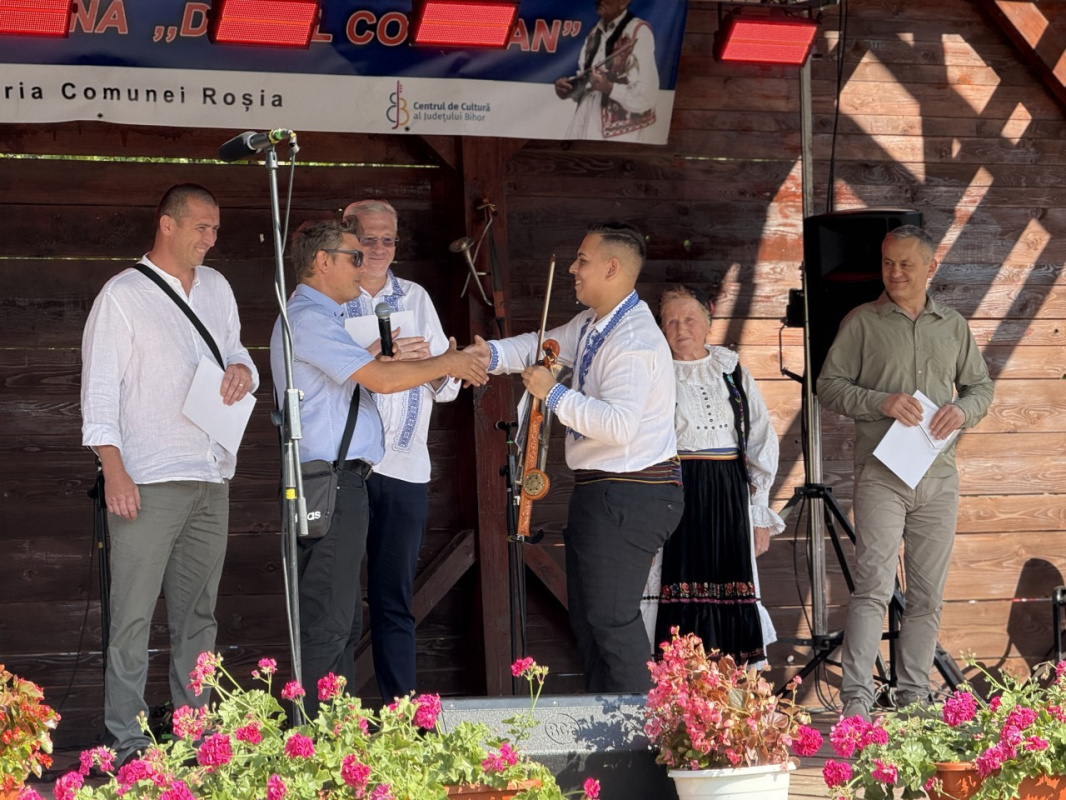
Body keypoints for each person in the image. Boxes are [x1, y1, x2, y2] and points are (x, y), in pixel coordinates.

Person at [269, 219, 485, 714]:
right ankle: (318, 739)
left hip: (342, 480)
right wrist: (447, 364)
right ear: (322, 261)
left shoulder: (319, 318)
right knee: (329, 619)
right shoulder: (309, 318)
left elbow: (366, 374)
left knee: (342, 619)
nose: (362, 264)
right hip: (330, 480)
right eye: (353, 255)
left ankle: (334, 730)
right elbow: (380, 381)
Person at [81, 183, 258, 765]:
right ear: (168, 224)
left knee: (198, 618)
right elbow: (99, 392)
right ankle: (128, 742)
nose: (211, 238)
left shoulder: (219, 288)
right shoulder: (122, 295)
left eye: (216, 228)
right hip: (148, 477)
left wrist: (242, 370)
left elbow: (238, 352)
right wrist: (114, 471)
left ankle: (194, 738)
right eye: (202, 227)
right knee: (132, 617)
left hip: (210, 473)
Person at [466, 221, 683, 693]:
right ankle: (609, 724)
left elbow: (619, 426)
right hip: (606, 490)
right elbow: (541, 345)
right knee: (590, 619)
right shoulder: (594, 322)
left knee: (611, 619)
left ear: (612, 268)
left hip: (632, 490)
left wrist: (554, 393)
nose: (572, 269)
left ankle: (644, 727)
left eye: (582, 260)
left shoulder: (633, 339)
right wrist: (485, 355)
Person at [817, 224, 994, 720]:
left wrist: (963, 410)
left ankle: (914, 701)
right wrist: (881, 401)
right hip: (882, 476)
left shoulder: (953, 326)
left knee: (927, 596)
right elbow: (828, 386)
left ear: (931, 267)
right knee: (873, 588)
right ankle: (856, 702)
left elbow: (980, 388)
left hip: (938, 477)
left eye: (906, 264)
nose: (894, 273)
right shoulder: (861, 322)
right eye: (888, 263)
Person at [339, 199, 458, 702]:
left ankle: (402, 720)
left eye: (388, 239)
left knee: (395, 601)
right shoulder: (330, 297)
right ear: (348, 238)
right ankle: (337, 718)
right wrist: (373, 357)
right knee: (339, 602)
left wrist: (433, 362)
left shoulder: (415, 297)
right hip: (345, 471)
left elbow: (449, 386)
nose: (379, 248)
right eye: (369, 238)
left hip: (406, 470)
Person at [651, 286, 783, 665]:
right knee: (679, 584)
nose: (681, 328)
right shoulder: (656, 374)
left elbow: (760, 439)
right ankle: (683, 683)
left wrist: (759, 512)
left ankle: (731, 685)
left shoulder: (732, 370)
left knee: (731, 583)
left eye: (689, 319)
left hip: (729, 493)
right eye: (671, 321)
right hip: (678, 491)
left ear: (708, 323)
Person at [554, 0, 660, 142]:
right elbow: (586, 76)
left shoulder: (639, 32)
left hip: (620, 136)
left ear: (623, 2)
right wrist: (570, 88)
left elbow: (648, 94)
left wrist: (609, 88)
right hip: (583, 124)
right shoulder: (594, 32)